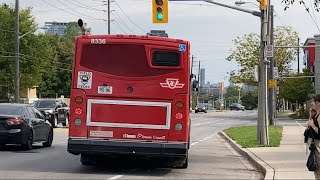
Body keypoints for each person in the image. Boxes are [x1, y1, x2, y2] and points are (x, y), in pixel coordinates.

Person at [307, 94, 320, 179]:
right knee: (315, 168)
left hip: (318, 146)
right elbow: (308, 125)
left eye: (313, 102)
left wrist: (313, 125)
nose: (312, 103)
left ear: (318, 103)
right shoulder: (316, 115)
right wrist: (311, 115)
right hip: (314, 146)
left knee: (318, 169)